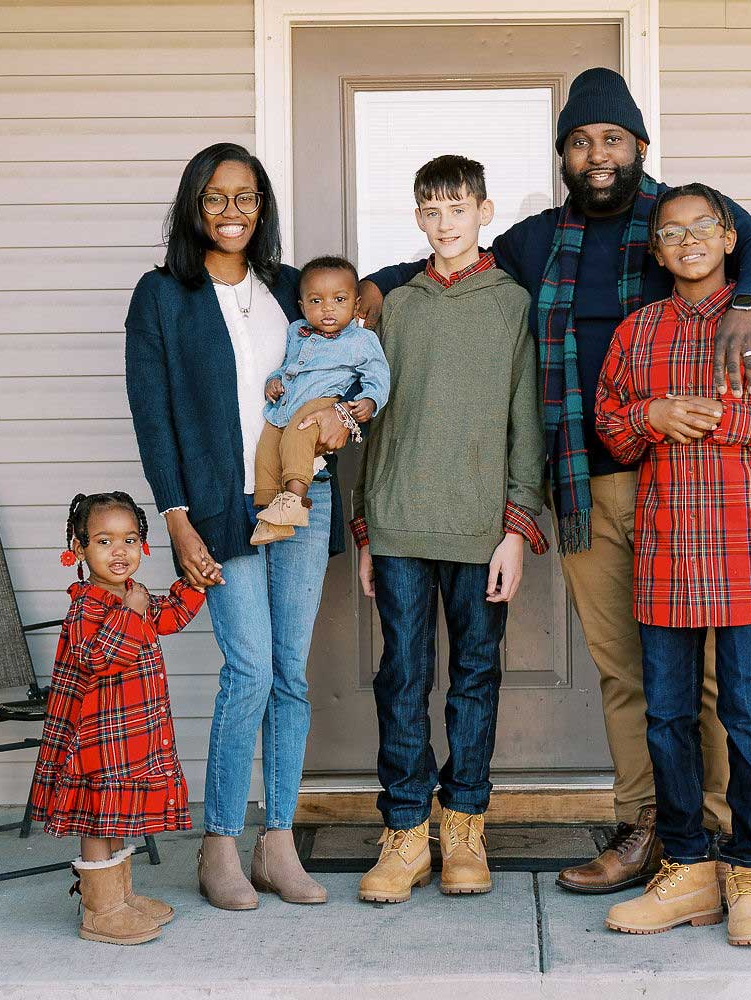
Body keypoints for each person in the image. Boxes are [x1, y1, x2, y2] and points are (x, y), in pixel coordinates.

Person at [357, 67, 751, 894]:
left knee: (710, 677)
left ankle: (709, 843)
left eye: (611, 139)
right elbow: (450, 263)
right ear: (563, 153)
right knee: (628, 670)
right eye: (580, 140)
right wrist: (368, 292)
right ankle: (648, 826)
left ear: (639, 145)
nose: (596, 154)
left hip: (690, 485)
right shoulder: (536, 239)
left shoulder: (680, 216)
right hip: (588, 482)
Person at [596, 183, 751, 943]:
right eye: (672, 232)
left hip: (749, 553)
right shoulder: (638, 333)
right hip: (667, 551)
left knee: (747, 719)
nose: (688, 240)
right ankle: (688, 870)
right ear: (657, 251)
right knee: (666, 719)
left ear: (729, 238)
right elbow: (609, 422)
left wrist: (734, 418)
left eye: (702, 227)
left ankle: (750, 871)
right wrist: (652, 416)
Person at [125, 142, 356, 911]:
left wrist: (346, 415)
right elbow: (153, 418)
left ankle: (278, 843)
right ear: (194, 205)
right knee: (250, 670)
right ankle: (219, 843)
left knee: (290, 674)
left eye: (247, 197)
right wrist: (177, 522)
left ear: (265, 207)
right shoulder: (162, 296)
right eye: (217, 198)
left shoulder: (291, 289)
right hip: (219, 509)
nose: (233, 211)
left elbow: (353, 340)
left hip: (302, 499)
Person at [350, 155, 547, 903]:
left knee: (474, 676)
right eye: (430, 211)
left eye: (456, 208)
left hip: (479, 525)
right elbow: (371, 416)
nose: (444, 223)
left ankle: (464, 825)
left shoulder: (511, 305)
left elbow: (526, 420)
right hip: (399, 522)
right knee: (402, 677)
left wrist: (517, 528)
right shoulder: (395, 307)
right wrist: (366, 528)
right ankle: (405, 833)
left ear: (484, 211)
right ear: (417, 219)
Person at [28, 491, 206, 946]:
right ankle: (100, 910)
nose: (119, 551)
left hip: (130, 732)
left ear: (143, 544)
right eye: (104, 542)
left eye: (129, 539)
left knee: (115, 814)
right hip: (95, 735)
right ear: (79, 547)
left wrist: (196, 583)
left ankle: (121, 896)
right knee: (95, 815)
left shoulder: (134, 595)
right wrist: (130, 612)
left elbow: (167, 617)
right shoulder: (86, 605)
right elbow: (99, 656)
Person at [253, 255, 389, 545]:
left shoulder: (361, 340)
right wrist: (273, 382)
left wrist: (371, 400)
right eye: (316, 301)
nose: (328, 308)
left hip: (321, 402)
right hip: (286, 404)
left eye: (339, 300)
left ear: (355, 305)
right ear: (302, 306)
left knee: (297, 438)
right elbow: (288, 365)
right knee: (267, 446)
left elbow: (377, 376)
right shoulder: (297, 332)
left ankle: (293, 500)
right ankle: (269, 509)